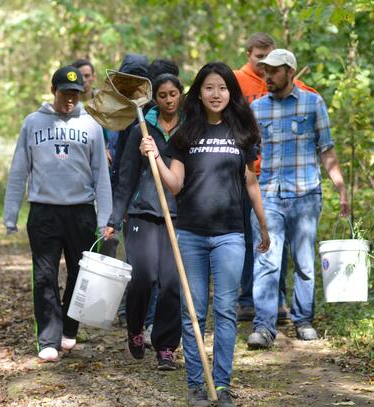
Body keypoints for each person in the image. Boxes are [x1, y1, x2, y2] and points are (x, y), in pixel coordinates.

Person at [140, 62, 270, 407]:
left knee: (226, 310)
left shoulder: (241, 131)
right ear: (198, 92)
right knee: (193, 313)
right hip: (191, 234)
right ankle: (197, 385)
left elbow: (251, 183)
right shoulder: (185, 134)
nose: (216, 94)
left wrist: (263, 223)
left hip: (230, 234)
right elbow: (175, 185)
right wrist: (156, 159)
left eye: (223, 88)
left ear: (231, 92)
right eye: (209, 88)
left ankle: (222, 385)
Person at [3, 65, 112, 361]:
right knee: (44, 276)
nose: (70, 100)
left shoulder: (91, 125)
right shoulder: (33, 123)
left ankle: (69, 329)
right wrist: (11, 214)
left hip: (81, 212)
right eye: (65, 93)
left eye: (76, 94)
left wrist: (104, 219)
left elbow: (101, 174)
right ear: (53, 90)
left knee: (80, 275)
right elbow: (19, 170)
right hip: (44, 212)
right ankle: (48, 338)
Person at [247, 49, 349, 350]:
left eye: (274, 71)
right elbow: (247, 155)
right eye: (265, 71)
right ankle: (264, 327)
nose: (268, 76)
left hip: (305, 195)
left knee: (304, 262)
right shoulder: (257, 108)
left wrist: (341, 189)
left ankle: (303, 320)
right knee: (266, 260)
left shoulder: (313, 103)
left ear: (290, 72)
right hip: (268, 195)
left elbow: (326, 150)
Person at [234, 33, 318, 323]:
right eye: (259, 58)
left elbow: (310, 109)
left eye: (269, 61)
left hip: (288, 184)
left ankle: (280, 303)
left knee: (279, 249)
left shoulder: (305, 97)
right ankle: (249, 302)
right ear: (248, 54)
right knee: (253, 242)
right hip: (250, 177)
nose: (263, 67)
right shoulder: (237, 81)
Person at [103, 74, 183, 370]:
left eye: (173, 94)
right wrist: (114, 217)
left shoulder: (188, 129)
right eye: (162, 95)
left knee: (172, 283)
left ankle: (165, 346)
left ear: (181, 95)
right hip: (142, 213)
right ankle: (136, 327)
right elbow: (126, 178)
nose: (169, 100)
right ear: (155, 99)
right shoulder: (142, 130)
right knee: (144, 277)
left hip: (178, 216)